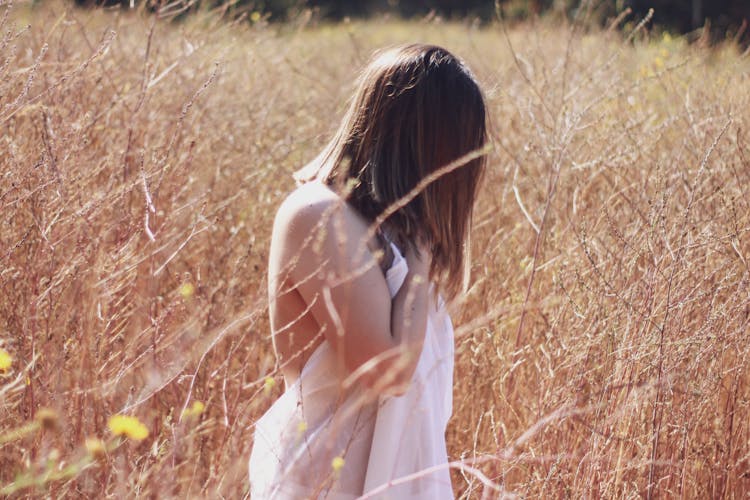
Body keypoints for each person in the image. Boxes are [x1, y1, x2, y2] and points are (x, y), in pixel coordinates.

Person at [249, 43, 488, 499]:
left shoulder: (399, 231)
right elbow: (390, 373)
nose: (465, 167)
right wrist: (419, 259)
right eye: (459, 146)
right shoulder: (318, 216)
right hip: (323, 484)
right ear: (416, 137)